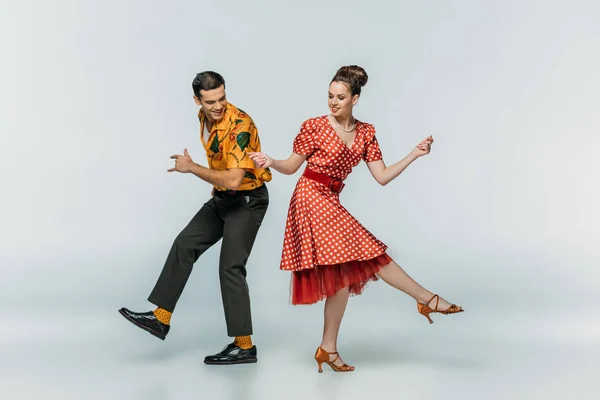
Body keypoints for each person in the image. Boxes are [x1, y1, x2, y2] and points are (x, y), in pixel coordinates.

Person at [248, 65, 463, 373]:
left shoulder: (365, 133)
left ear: (355, 99)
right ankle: (427, 298)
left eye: (340, 97)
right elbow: (291, 166)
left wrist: (414, 154)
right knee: (370, 251)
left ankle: (327, 349)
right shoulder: (315, 126)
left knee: (342, 279)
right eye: (330, 96)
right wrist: (270, 161)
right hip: (309, 198)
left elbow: (383, 176)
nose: (333, 103)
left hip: (330, 200)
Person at [119, 71, 272, 365]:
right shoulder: (205, 117)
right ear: (197, 101)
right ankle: (160, 318)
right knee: (184, 243)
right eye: (210, 101)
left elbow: (234, 181)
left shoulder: (240, 124)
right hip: (222, 199)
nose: (218, 106)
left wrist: (192, 168)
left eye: (222, 98)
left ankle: (244, 346)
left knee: (231, 267)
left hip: (247, 201)